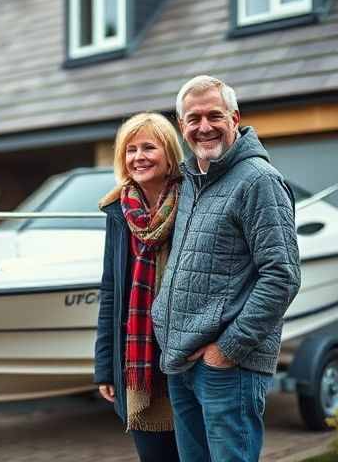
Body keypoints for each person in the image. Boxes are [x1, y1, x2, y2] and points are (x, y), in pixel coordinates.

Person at [151, 75, 301, 461]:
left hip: (226, 369)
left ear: (235, 118)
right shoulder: (193, 180)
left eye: (214, 115)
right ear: (181, 126)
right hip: (182, 362)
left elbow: (282, 275)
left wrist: (227, 350)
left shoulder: (258, 181)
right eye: (193, 118)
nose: (204, 127)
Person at [94, 112, 184, 462]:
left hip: (184, 355)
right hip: (137, 362)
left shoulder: (193, 199)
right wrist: (105, 366)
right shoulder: (118, 211)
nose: (138, 156)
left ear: (169, 154)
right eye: (130, 149)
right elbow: (111, 291)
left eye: (149, 146)